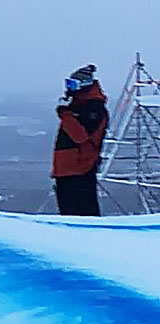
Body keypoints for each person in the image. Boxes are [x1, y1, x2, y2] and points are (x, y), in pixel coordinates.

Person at [52, 64, 108, 216]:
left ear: (84, 86)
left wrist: (65, 114)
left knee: (81, 212)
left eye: (73, 84)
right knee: (69, 210)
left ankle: (89, 237)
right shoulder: (78, 106)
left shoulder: (94, 109)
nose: (70, 88)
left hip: (80, 167)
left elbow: (80, 135)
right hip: (68, 168)